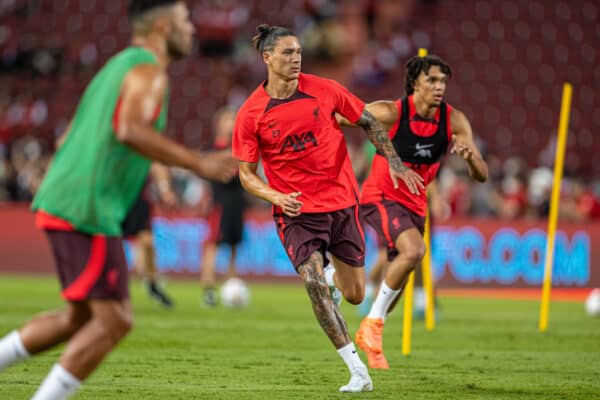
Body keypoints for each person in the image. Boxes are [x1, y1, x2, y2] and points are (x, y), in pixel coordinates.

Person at [0, 2, 236, 399]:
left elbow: (66, 136)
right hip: (87, 207)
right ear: (162, 26)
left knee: (78, 318)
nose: (192, 29)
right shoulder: (148, 70)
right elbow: (130, 129)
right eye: (183, 20)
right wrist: (200, 163)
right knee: (115, 320)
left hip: (66, 198)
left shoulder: (116, 67)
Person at [232, 24, 424, 393]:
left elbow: (366, 120)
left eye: (299, 51)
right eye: (287, 52)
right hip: (296, 212)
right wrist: (275, 197)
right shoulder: (251, 113)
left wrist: (395, 161)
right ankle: (356, 370)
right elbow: (245, 174)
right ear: (267, 58)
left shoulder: (325, 90)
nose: (296, 57)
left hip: (341, 204)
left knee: (353, 294)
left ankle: (337, 278)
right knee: (313, 282)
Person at [340, 54, 488, 369]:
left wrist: (470, 158)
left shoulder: (454, 120)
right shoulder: (391, 112)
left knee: (404, 267)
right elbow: (340, 117)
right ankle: (373, 323)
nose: (439, 87)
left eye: (443, 81)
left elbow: (482, 174)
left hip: (414, 204)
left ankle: (371, 326)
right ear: (415, 84)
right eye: (432, 80)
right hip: (379, 196)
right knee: (414, 249)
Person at [201, 107, 247, 307]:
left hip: (237, 203)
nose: (232, 123)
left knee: (234, 246)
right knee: (213, 244)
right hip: (219, 203)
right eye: (228, 120)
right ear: (219, 124)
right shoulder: (212, 150)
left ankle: (231, 283)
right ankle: (208, 289)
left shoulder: (240, 148)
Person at [122, 163, 177, 308]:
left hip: (139, 202)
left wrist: (165, 190)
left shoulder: (140, 146)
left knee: (148, 242)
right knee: (110, 243)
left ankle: (153, 284)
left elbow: (158, 165)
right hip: (116, 200)